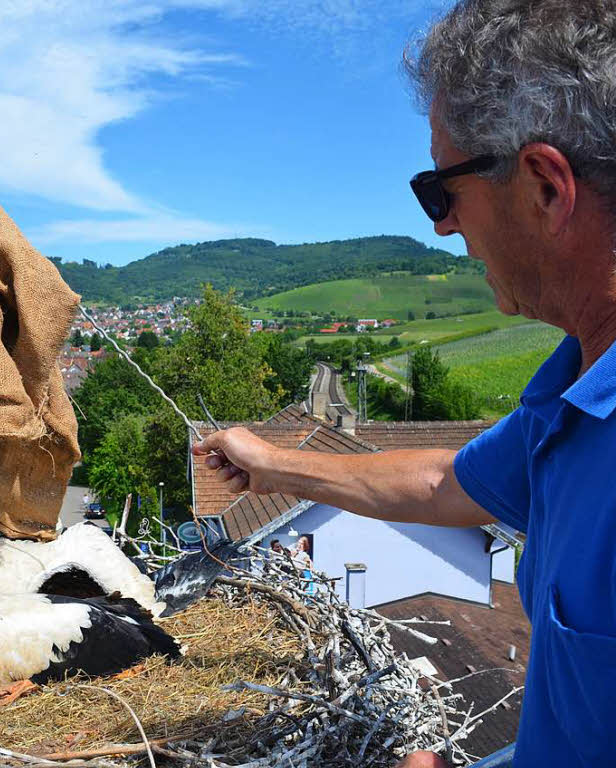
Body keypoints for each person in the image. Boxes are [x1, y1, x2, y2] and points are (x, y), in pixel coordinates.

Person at [194, 2, 616, 765]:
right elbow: (444, 482)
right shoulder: (573, 395)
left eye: (441, 190)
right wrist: (274, 465)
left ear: (546, 187)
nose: (440, 228)